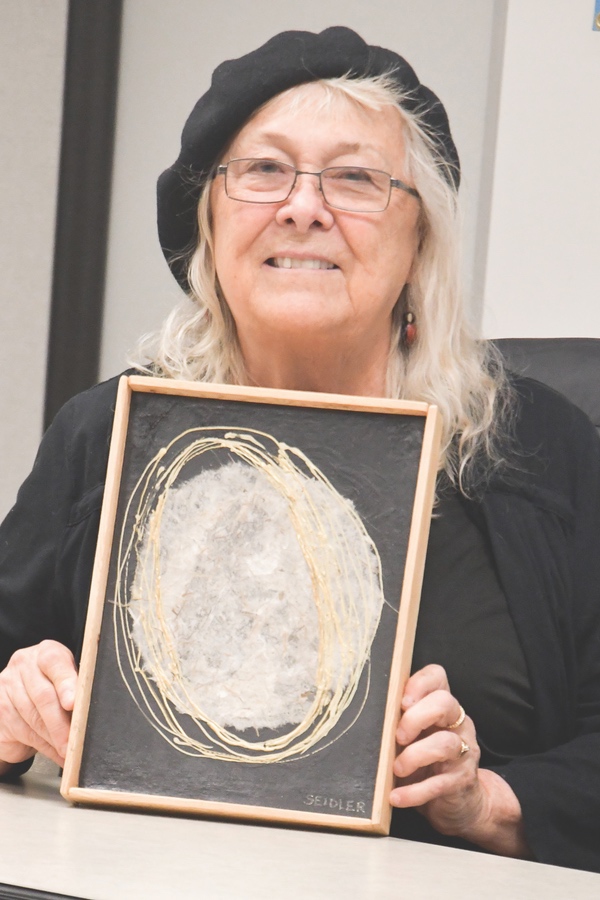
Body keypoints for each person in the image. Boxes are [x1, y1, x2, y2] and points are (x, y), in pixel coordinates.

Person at [1, 26, 599, 872]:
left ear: (419, 241)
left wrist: (486, 801)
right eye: (263, 171)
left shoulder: (534, 447)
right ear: (209, 223)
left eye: (355, 178)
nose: (304, 207)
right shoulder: (107, 435)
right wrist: (11, 711)